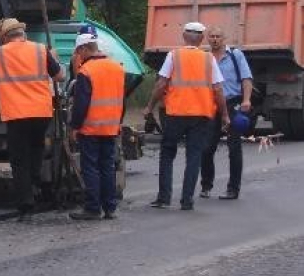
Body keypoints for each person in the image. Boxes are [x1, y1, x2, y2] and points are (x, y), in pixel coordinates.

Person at [0, 18, 63, 220]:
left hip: (16, 113)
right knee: (36, 151)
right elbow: (59, 77)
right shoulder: (40, 50)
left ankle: (26, 205)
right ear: (23, 33)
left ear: (4, 37)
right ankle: (34, 183)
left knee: (19, 160)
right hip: (41, 112)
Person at [143, 22, 229, 211]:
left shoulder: (173, 56)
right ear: (201, 39)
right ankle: (187, 200)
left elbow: (161, 84)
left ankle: (164, 197)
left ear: (183, 36)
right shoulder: (209, 59)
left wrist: (149, 106)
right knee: (194, 155)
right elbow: (218, 89)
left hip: (176, 113)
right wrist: (224, 114)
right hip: (201, 115)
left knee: (167, 152)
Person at [68, 30, 125, 221]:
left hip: (91, 128)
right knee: (107, 166)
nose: (77, 55)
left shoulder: (86, 71)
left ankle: (93, 208)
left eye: (78, 51)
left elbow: (81, 104)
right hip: (110, 128)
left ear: (85, 49)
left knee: (90, 167)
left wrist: (75, 127)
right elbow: (121, 100)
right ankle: (110, 207)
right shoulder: (117, 68)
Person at [200, 25, 254, 200]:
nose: (215, 39)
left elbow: (246, 78)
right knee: (207, 147)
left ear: (224, 39)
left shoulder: (235, 55)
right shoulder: (205, 57)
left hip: (233, 104)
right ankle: (206, 186)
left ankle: (233, 188)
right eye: (212, 36)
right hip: (211, 106)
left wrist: (246, 100)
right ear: (208, 39)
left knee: (234, 148)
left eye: (218, 36)